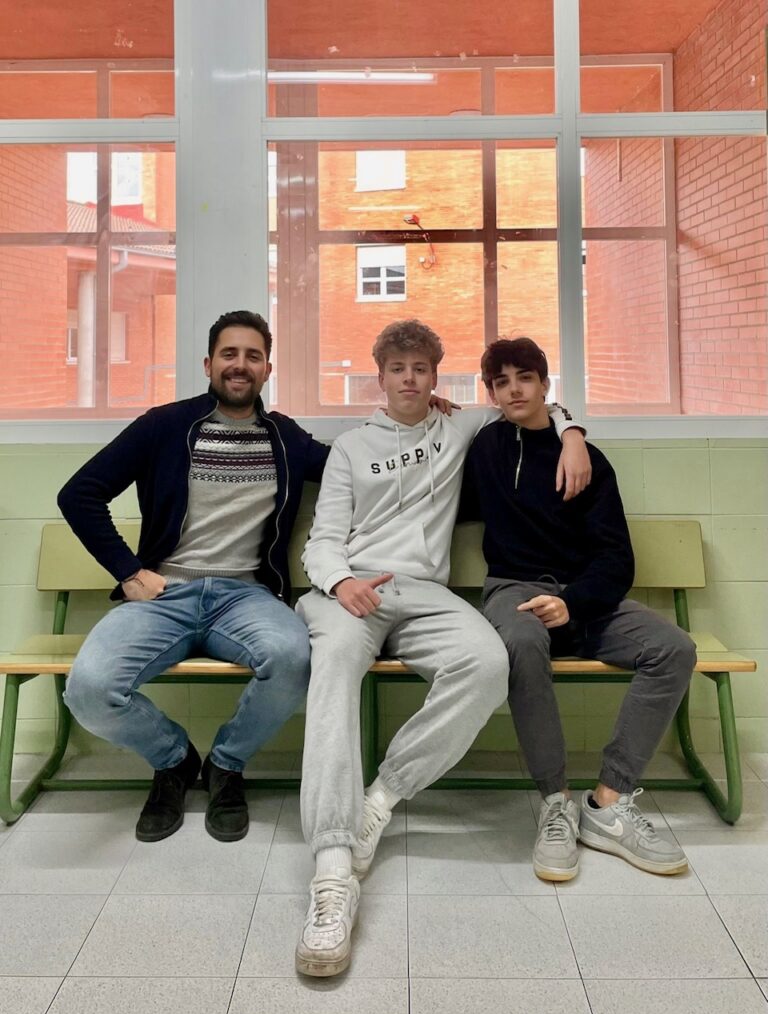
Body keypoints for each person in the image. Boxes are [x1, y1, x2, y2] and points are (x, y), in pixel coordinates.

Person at [294, 319, 591, 977]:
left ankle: (379, 801)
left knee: (487, 663)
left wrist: (572, 433)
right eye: (397, 368)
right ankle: (333, 872)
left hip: (425, 592)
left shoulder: (458, 429)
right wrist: (340, 582)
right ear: (380, 377)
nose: (409, 378)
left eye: (420, 368)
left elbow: (533, 404)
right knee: (334, 665)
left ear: (435, 377)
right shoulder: (351, 448)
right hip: (352, 590)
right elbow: (323, 539)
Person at [58, 310, 329, 843]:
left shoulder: (285, 437)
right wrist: (129, 571)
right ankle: (174, 760)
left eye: (253, 356)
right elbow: (79, 494)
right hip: (164, 594)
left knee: (293, 658)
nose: (240, 365)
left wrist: (427, 419)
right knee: (89, 689)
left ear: (267, 369)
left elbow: (357, 466)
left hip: (247, 597)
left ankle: (226, 764)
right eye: (229, 354)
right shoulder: (164, 425)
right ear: (208, 364)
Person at [462, 336, 696, 883]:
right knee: (521, 643)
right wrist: (571, 427)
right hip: (515, 591)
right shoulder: (486, 447)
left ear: (545, 384)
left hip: (583, 598)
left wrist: (572, 602)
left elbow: (617, 558)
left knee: (673, 649)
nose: (514, 390)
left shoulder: (589, 462)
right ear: (490, 392)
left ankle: (608, 802)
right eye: (501, 382)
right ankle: (555, 803)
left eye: (526, 378)